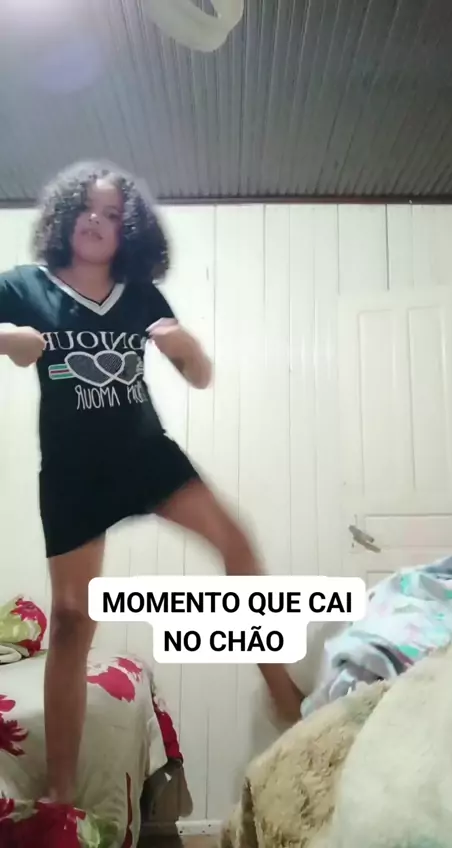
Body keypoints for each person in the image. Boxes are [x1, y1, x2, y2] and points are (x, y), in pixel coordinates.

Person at [0, 161, 303, 806]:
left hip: (145, 455)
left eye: (112, 214)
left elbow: (199, 376)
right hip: (74, 472)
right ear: (65, 217)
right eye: (86, 208)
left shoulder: (139, 295)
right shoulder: (25, 286)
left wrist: (186, 348)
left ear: (128, 230)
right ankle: (60, 791)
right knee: (72, 617)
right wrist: (9, 339)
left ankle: (282, 691)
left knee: (236, 540)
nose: (96, 221)